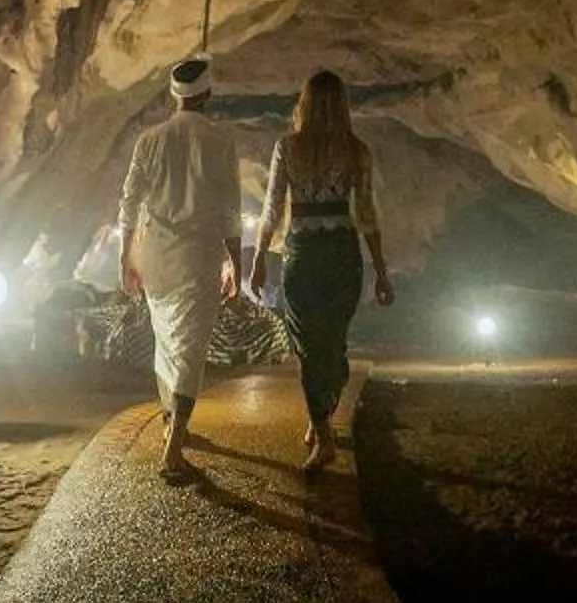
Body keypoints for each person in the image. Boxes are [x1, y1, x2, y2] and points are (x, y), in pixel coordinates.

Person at [245, 69, 393, 471]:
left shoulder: (288, 148)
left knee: (310, 347)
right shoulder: (356, 150)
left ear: (303, 103)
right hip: (343, 254)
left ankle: (322, 430)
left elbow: (272, 208)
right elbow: (366, 214)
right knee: (332, 343)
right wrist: (380, 270)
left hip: (304, 255)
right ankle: (322, 425)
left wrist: (259, 259)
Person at [119, 56, 246, 481]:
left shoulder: (148, 140)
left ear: (174, 95)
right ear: (207, 94)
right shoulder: (221, 141)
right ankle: (173, 447)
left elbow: (130, 202)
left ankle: (173, 422)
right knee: (190, 349)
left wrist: (126, 257)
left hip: (156, 254)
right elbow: (230, 209)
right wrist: (235, 261)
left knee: (166, 341)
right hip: (198, 255)